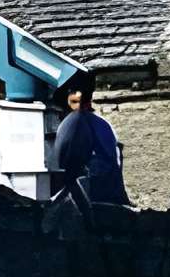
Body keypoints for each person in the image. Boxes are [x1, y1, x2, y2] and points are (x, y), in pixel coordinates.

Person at [46, 67, 129, 208]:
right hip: (107, 197)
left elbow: (74, 174)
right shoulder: (100, 124)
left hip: (100, 201)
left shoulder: (79, 122)